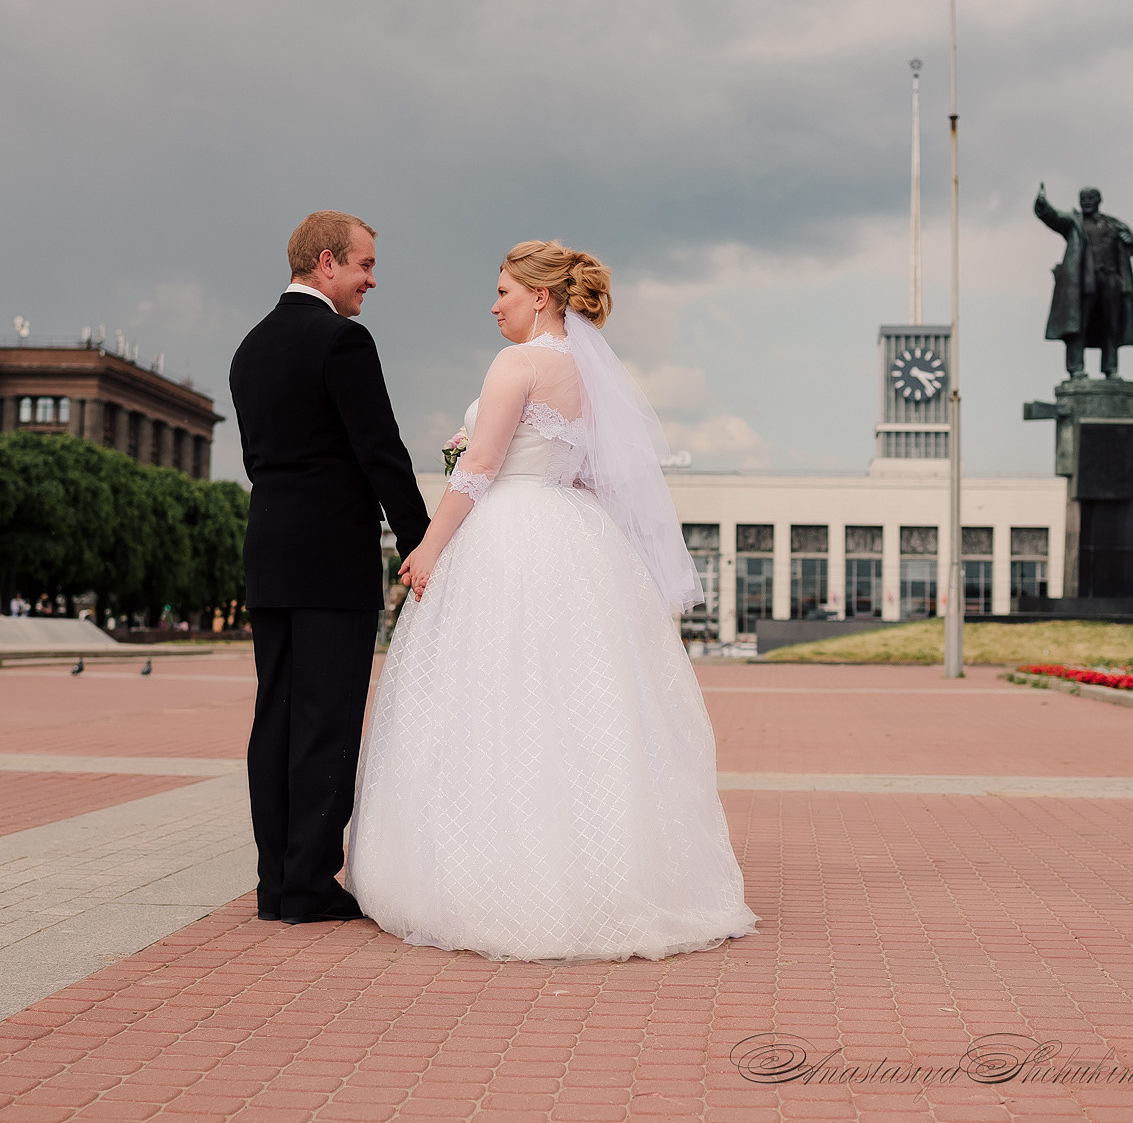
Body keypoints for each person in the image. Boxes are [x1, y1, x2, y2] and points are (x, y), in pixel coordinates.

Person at [346, 239, 755, 961]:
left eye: (504, 289)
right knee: (577, 705)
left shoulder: (519, 363)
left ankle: (497, 877)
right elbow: (596, 476)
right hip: (574, 538)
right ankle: (602, 873)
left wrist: (429, 548)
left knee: (494, 698)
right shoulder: (591, 376)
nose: (494, 302)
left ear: (541, 295)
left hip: (508, 533)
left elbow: (479, 466)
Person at [230, 211, 428, 925]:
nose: (371, 280)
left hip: (270, 551)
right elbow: (380, 449)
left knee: (276, 716)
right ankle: (310, 886)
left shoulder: (250, 347)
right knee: (327, 720)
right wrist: (421, 540)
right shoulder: (342, 340)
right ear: (325, 262)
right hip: (330, 556)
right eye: (364, 265)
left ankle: (276, 883)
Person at [1035, 183, 1133, 379]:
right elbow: (1053, 217)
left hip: (1111, 280)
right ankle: (1076, 368)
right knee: (1078, 326)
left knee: (1112, 326)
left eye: (1090, 199)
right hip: (1084, 283)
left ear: (1099, 201)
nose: (1086, 202)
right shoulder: (1073, 223)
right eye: (1083, 199)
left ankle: (1111, 369)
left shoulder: (1114, 224)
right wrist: (1043, 204)